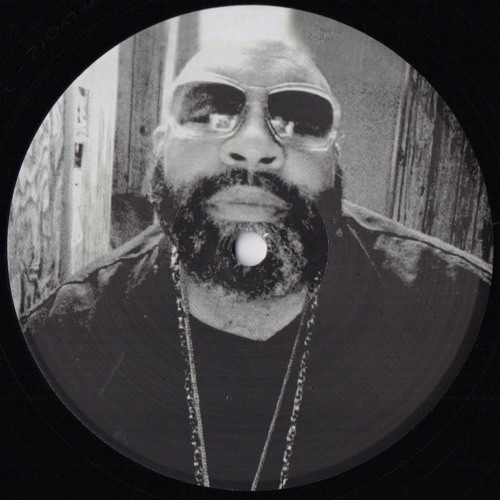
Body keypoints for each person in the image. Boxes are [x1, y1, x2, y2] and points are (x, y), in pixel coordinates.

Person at [21, 40, 492, 490]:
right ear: (161, 147)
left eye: (300, 122)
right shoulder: (60, 344)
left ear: (335, 161)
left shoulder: (461, 318)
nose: (253, 145)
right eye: (210, 115)